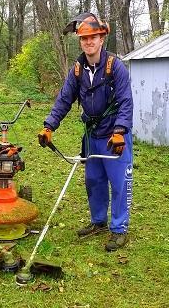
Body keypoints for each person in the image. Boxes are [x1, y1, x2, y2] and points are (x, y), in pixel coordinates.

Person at [38, 13, 133, 251]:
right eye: (84, 39)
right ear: (80, 41)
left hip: (114, 137)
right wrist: (49, 125)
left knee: (119, 183)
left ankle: (119, 229)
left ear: (102, 38)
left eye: (93, 37)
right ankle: (98, 221)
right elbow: (64, 99)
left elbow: (126, 102)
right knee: (94, 180)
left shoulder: (115, 67)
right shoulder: (78, 70)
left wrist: (120, 130)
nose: (88, 42)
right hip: (92, 135)